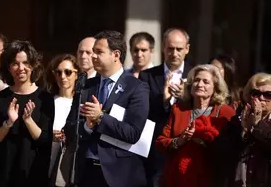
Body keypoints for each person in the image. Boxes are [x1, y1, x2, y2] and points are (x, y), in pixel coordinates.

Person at [64, 30, 150, 187]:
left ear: (116, 55)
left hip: (119, 175)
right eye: (93, 52)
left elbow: (133, 133)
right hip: (85, 172)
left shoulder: (136, 87)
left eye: (99, 52)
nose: (93, 56)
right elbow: (69, 128)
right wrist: (87, 126)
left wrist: (101, 117)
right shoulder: (85, 86)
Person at [0, 40, 54, 187]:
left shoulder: (44, 98)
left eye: (26, 63)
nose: (21, 68)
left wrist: (28, 120)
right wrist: (8, 123)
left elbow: (45, 140)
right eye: (15, 64)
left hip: (32, 174)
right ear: (8, 68)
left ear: (33, 65)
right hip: (1, 173)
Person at [156, 64, 235, 187]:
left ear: (215, 88)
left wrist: (205, 141)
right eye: (196, 80)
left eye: (206, 82)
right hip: (178, 179)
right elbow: (160, 142)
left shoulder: (225, 112)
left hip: (211, 179)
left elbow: (231, 149)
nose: (200, 84)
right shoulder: (179, 109)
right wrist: (179, 141)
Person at [139, 28, 193, 186]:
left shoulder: (195, 76)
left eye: (179, 49)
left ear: (187, 49)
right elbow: (144, 112)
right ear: (163, 47)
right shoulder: (147, 76)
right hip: (157, 149)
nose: (174, 53)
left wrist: (186, 97)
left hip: (187, 148)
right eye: (170, 48)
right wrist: (163, 99)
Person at [213, 73, 271, 187]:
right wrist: (244, 132)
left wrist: (258, 124)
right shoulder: (238, 119)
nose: (261, 98)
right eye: (256, 93)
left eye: (268, 94)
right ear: (248, 96)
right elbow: (221, 152)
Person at [45, 54, 79, 186]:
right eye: (58, 72)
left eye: (68, 72)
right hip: (48, 162)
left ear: (77, 74)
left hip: (72, 165)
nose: (63, 76)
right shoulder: (47, 101)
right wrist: (50, 135)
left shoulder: (81, 102)